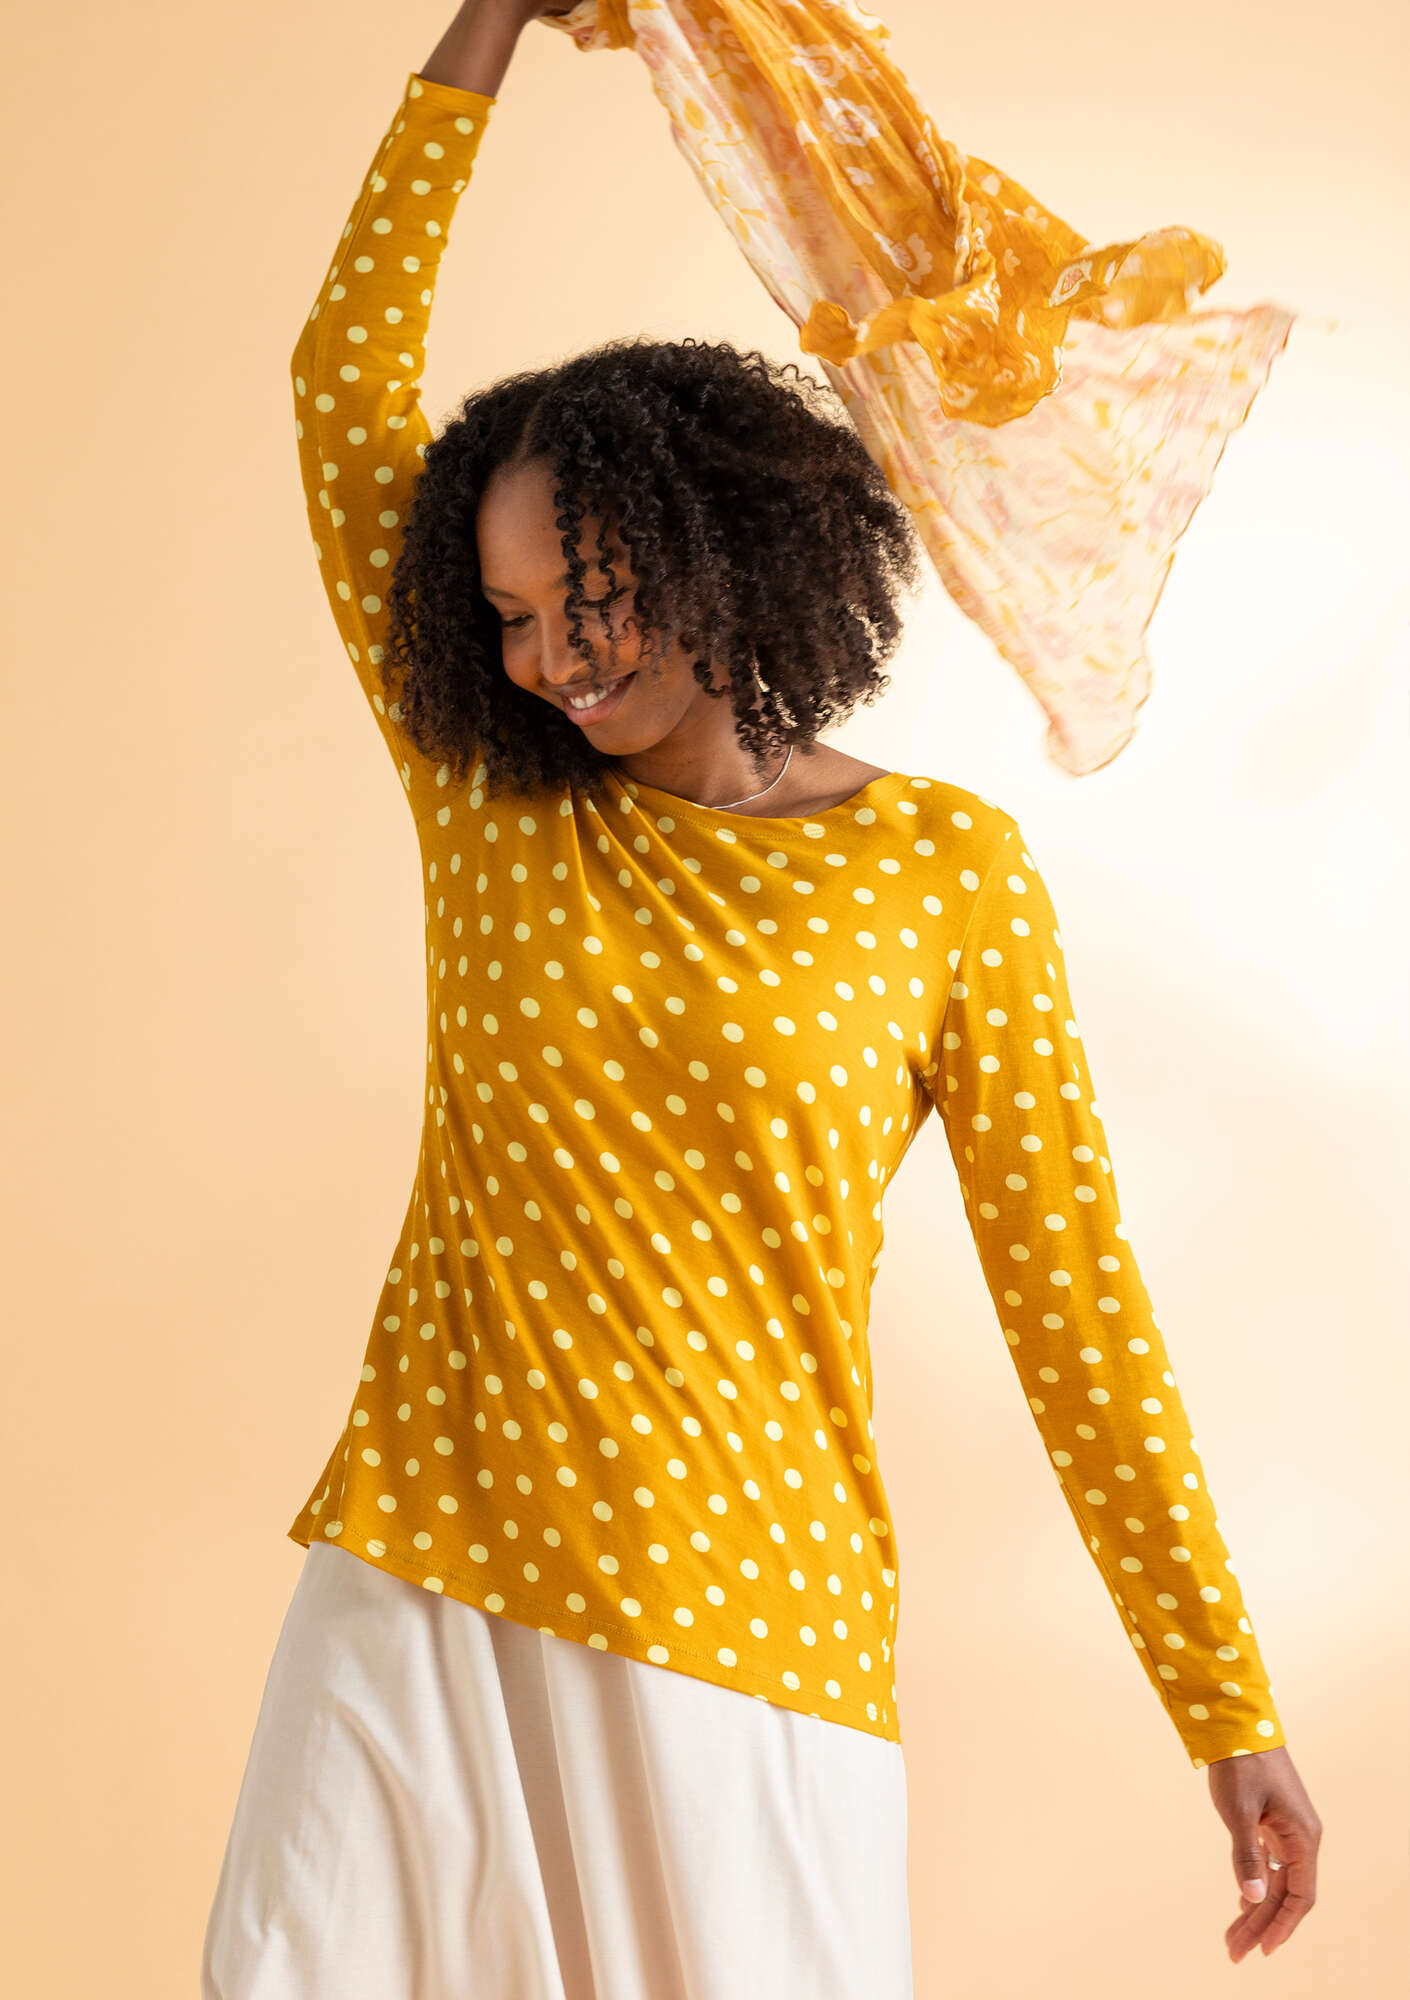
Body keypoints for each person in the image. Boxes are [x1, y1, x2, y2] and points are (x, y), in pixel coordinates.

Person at [200, 3, 1322, 1992]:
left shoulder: (945, 876)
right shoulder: (495, 800)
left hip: (743, 1632)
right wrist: (485, 26)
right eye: (514, 616)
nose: (551, 661)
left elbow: (1074, 1304)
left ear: (726, 556)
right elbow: (336, 377)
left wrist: (1221, 1702)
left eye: (595, 598)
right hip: (423, 1565)